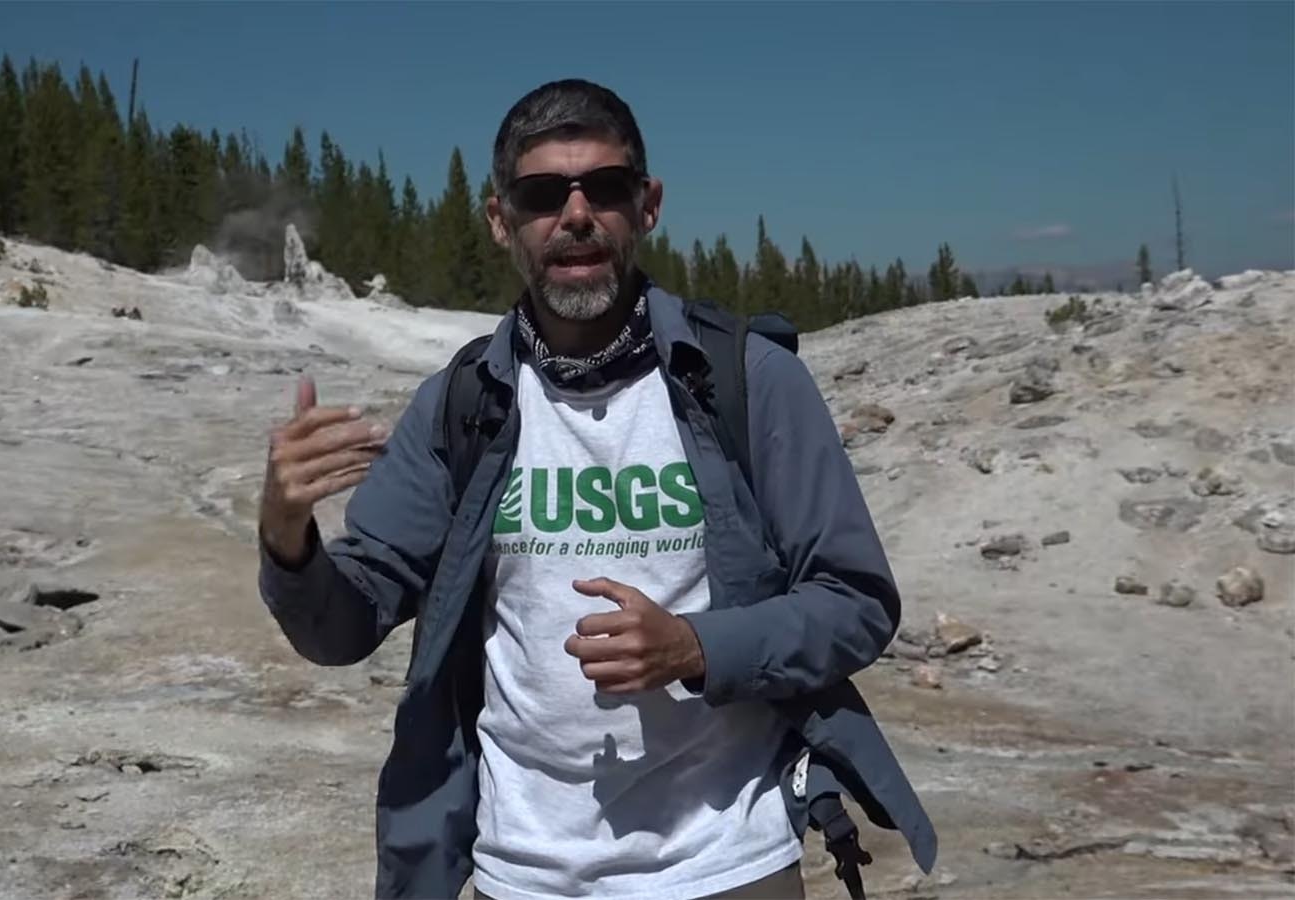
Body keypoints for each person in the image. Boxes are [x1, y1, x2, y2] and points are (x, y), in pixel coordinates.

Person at [258, 79, 934, 900]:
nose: (575, 215)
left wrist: (696, 646)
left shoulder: (751, 381)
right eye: (543, 195)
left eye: (604, 189)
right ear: (501, 220)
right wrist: (287, 534)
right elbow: (343, 624)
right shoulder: (460, 405)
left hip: (728, 864)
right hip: (523, 874)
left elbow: (856, 601)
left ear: (646, 206)